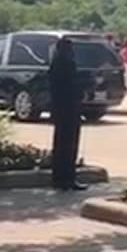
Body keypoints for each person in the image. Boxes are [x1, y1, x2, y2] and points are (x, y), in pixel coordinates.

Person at [49, 37, 86, 191]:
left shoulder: (55, 64)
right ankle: (68, 179)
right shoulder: (67, 64)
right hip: (69, 109)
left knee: (60, 145)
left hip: (60, 110)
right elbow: (72, 86)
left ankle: (59, 179)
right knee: (69, 145)